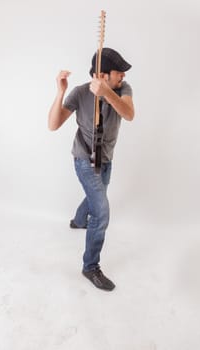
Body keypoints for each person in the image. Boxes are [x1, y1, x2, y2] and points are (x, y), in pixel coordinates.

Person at [48, 48, 135, 291]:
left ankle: (78, 221)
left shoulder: (122, 90)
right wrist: (61, 91)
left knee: (96, 197)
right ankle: (90, 267)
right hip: (84, 160)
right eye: (119, 73)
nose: (123, 77)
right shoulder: (79, 93)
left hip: (106, 159)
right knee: (102, 211)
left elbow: (128, 114)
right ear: (102, 74)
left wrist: (108, 93)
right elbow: (53, 125)